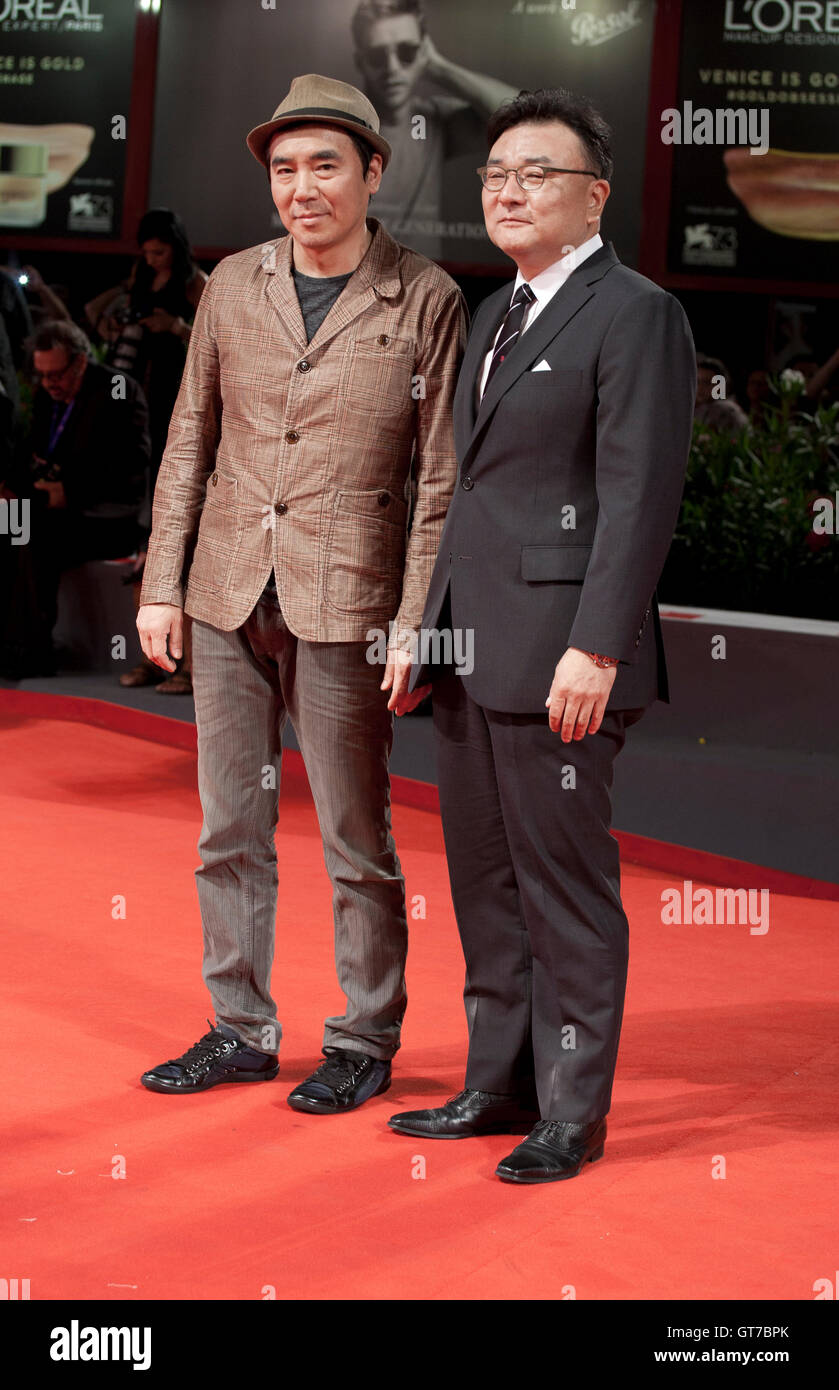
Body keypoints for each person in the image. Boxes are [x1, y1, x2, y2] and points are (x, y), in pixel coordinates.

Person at [137, 75, 466, 1112]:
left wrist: (417, 618)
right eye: (284, 168)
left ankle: (363, 1035)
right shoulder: (231, 283)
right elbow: (189, 438)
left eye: (325, 164)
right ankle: (239, 1025)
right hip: (226, 591)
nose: (302, 186)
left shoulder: (426, 296)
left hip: (349, 601)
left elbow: (441, 477)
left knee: (354, 838)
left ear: (373, 172)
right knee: (227, 827)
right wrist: (160, 585)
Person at [388, 87, 696, 1183]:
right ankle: (497, 1082)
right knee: (484, 882)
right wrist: (425, 632)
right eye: (494, 176)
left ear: (594, 195)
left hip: (564, 654)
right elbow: (463, 492)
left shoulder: (635, 312)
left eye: (535, 173)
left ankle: (571, 1110)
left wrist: (598, 644)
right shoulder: (490, 313)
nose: (507, 190)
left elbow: (636, 494)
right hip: (472, 652)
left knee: (564, 892)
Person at [85, 209, 208, 694]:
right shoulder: (138, 276)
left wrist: (174, 325)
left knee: (179, 513)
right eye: (147, 251)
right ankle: (157, 660)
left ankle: (184, 665)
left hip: (178, 390)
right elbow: (96, 312)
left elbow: (216, 339)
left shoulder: (197, 281)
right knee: (149, 512)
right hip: (136, 393)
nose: (152, 258)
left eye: (160, 251)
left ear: (176, 248)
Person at [13, 320, 149, 669]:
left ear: (81, 362)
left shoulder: (118, 389)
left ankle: (35, 651)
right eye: (43, 375)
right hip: (55, 507)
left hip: (108, 515)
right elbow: (37, 452)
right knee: (6, 523)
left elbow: (128, 472)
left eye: (57, 374)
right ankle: (10, 640)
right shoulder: (47, 395)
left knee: (32, 531)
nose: (49, 384)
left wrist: (68, 492)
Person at [352, 0, 516, 259]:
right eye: (377, 56)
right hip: (354, 281)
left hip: (424, 286)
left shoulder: (435, 119)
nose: (393, 68)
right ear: (360, 61)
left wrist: (437, 66)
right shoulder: (343, 127)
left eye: (407, 52)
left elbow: (523, 114)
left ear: (422, 53)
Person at [694, 355, 748, 434]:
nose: (700, 387)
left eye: (707, 382)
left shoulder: (726, 409)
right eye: (698, 382)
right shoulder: (698, 409)